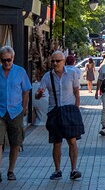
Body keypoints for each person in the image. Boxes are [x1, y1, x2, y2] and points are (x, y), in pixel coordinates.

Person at [35, 50, 84, 180]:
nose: (55, 63)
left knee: (72, 141)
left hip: (69, 110)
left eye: (58, 61)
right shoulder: (47, 76)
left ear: (64, 61)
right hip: (54, 111)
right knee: (56, 142)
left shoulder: (72, 74)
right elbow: (39, 93)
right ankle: (57, 170)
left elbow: (77, 93)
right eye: (53, 61)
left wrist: (76, 109)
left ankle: (74, 169)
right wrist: (39, 94)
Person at [0, 46, 31, 182]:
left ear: (13, 58)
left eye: (9, 60)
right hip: (0, 111)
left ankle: (11, 170)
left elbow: (26, 92)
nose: (6, 63)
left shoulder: (20, 72)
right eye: (3, 60)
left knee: (15, 142)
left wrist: (23, 109)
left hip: (15, 111)